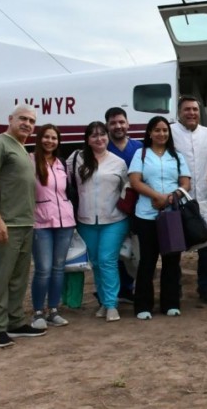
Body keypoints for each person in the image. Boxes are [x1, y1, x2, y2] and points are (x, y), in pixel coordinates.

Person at [0, 105, 46, 347]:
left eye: (32, 121)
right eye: (23, 119)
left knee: (18, 278)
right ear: (10, 119)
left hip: (24, 224)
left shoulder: (22, 148)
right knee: (0, 278)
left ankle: (15, 322)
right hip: (4, 225)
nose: (27, 123)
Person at [128, 116, 192, 319]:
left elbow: (186, 183)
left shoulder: (177, 155)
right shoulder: (141, 153)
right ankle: (143, 306)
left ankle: (170, 304)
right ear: (149, 133)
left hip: (172, 215)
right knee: (147, 261)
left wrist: (172, 197)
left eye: (165, 130)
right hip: (146, 215)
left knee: (172, 260)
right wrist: (157, 196)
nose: (161, 134)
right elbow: (135, 182)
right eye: (157, 130)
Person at [68, 121, 129, 322]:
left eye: (102, 134)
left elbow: (127, 190)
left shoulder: (118, 163)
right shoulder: (76, 159)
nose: (99, 138)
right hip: (85, 220)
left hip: (114, 220)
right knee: (95, 263)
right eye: (93, 135)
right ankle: (104, 302)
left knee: (107, 260)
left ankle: (112, 305)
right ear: (87, 139)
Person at [171, 96, 207, 304]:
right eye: (187, 110)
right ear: (179, 112)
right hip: (178, 201)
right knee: (175, 248)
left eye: (195, 109)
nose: (191, 113)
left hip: (205, 200)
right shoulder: (170, 131)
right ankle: (174, 290)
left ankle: (205, 289)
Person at [29, 124, 76, 329]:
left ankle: (54, 310)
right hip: (40, 222)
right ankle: (38, 312)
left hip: (65, 222)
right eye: (46, 137)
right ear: (39, 139)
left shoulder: (62, 164)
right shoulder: (30, 161)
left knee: (58, 269)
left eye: (54, 138)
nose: (50, 141)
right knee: (43, 269)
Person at [105, 106, 143, 303]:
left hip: (138, 207)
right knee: (115, 251)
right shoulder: (102, 148)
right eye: (113, 123)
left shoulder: (139, 148)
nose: (118, 126)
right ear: (107, 126)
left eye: (121, 122)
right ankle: (119, 291)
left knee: (136, 250)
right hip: (110, 208)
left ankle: (134, 287)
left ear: (128, 124)